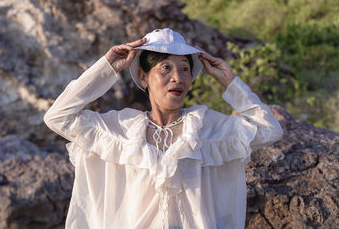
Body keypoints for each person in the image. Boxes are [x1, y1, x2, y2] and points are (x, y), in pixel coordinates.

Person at [43, 28, 283, 229]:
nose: (177, 77)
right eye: (165, 68)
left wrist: (230, 81)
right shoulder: (120, 129)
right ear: (143, 76)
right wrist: (107, 67)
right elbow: (58, 116)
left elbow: (270, 130)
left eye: (185, 69)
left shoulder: (208, 127)